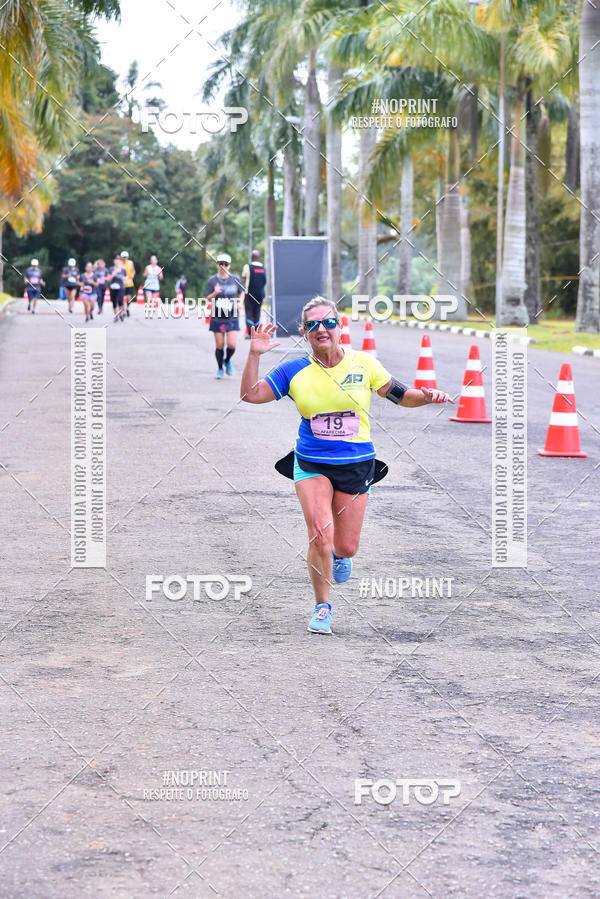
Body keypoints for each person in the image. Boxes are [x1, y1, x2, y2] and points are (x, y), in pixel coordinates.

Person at [240, 297, 454, 635]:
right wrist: (254, 355)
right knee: (320, 535)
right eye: (312, 325)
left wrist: (427, 396)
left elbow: (401, 395)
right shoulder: (293, 369)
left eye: (328, 323)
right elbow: (251, 394)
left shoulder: (364, 364)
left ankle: (339, 557)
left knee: (344, 546)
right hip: (311, 462)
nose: (321, 329)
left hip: (356, 464)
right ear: (304, 332)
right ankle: (322, 606)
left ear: (340, 327)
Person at [206, 253, 244, 379]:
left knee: (232, 344)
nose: (223, 266)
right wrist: (215, 293)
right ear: (217, 265)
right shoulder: (212, 280)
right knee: (220, 345)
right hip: (217, 317)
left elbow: (242, 292)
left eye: (225, 264)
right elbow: (208, 298)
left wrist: (240, 302)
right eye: (220, 263)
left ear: (229, 266)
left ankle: (227, 360)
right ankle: (220, 369)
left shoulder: (235, 279)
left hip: (232, 316)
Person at [241, 249, 266, 338]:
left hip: (250, 294)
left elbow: (243, 278)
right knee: (257, 313)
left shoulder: (248, 266)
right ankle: (256, 333)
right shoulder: (263, 267)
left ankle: (250, 334)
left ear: (251, 257)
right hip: (260, 294)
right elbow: (264, 281)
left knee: (249, 313)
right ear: (258, 258)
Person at [108, 256, 126, 322]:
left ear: (120, 261)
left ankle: (120, 313)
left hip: (121, 287)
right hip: (113, 287)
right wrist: (114, 272)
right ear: (114, 261)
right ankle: (116, 316)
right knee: (114, 302)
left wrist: (123, 278)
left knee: (120, 300)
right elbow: (109, 279)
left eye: (118, 260)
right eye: (116, 260)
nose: (117, 261)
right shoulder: (111, 269)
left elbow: (125, 278)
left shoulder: (123, 269)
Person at [120, 250, 136, 317]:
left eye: (125, 257)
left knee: (129, 298)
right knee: (122, 298)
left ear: (128, 257)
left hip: (129, 283)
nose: (124, 258)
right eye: (123, 257)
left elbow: (133, 271)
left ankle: (127, 309)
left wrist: (132, 275)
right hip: (122, 283)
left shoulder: (130, 263)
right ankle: (123, 310)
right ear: (121, 257)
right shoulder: (119, 264)